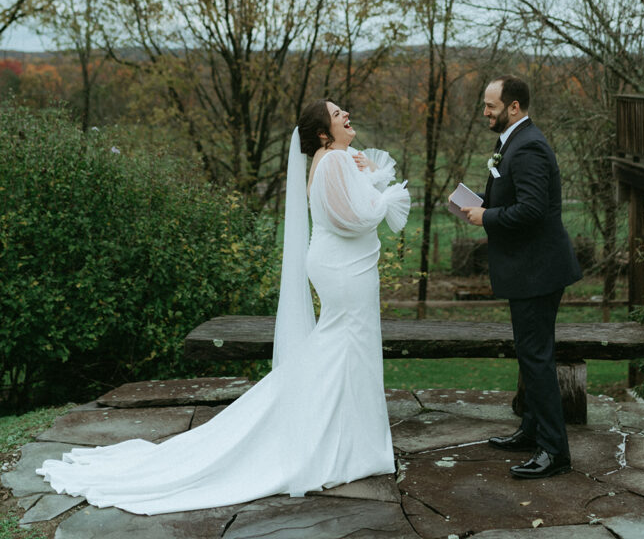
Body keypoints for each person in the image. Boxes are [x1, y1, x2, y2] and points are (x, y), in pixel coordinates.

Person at [36, 99, 409, 514]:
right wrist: (387, 197)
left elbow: (345, 210)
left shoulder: (331, 159)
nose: (345, 114)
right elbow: (351, 219)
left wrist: (371, 180)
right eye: (336, 113)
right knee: (343, 346)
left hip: (338, 265)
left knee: (342, 347)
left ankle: (347, 438)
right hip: (345, 271)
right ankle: (335, 441)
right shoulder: (334, 161)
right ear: (323, 132)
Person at [460, 75, 581, 480]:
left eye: (490, 106)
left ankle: (554, 451)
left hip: (537, 271)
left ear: (514, 107)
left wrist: (486, 217)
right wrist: (478, 204)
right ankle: (532, 430)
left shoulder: (528, 146)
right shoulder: (511, 141)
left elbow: (531, 210)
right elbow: (513, 195)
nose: (485, 112)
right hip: (529, 269)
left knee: (537, 359)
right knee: (531, 356)